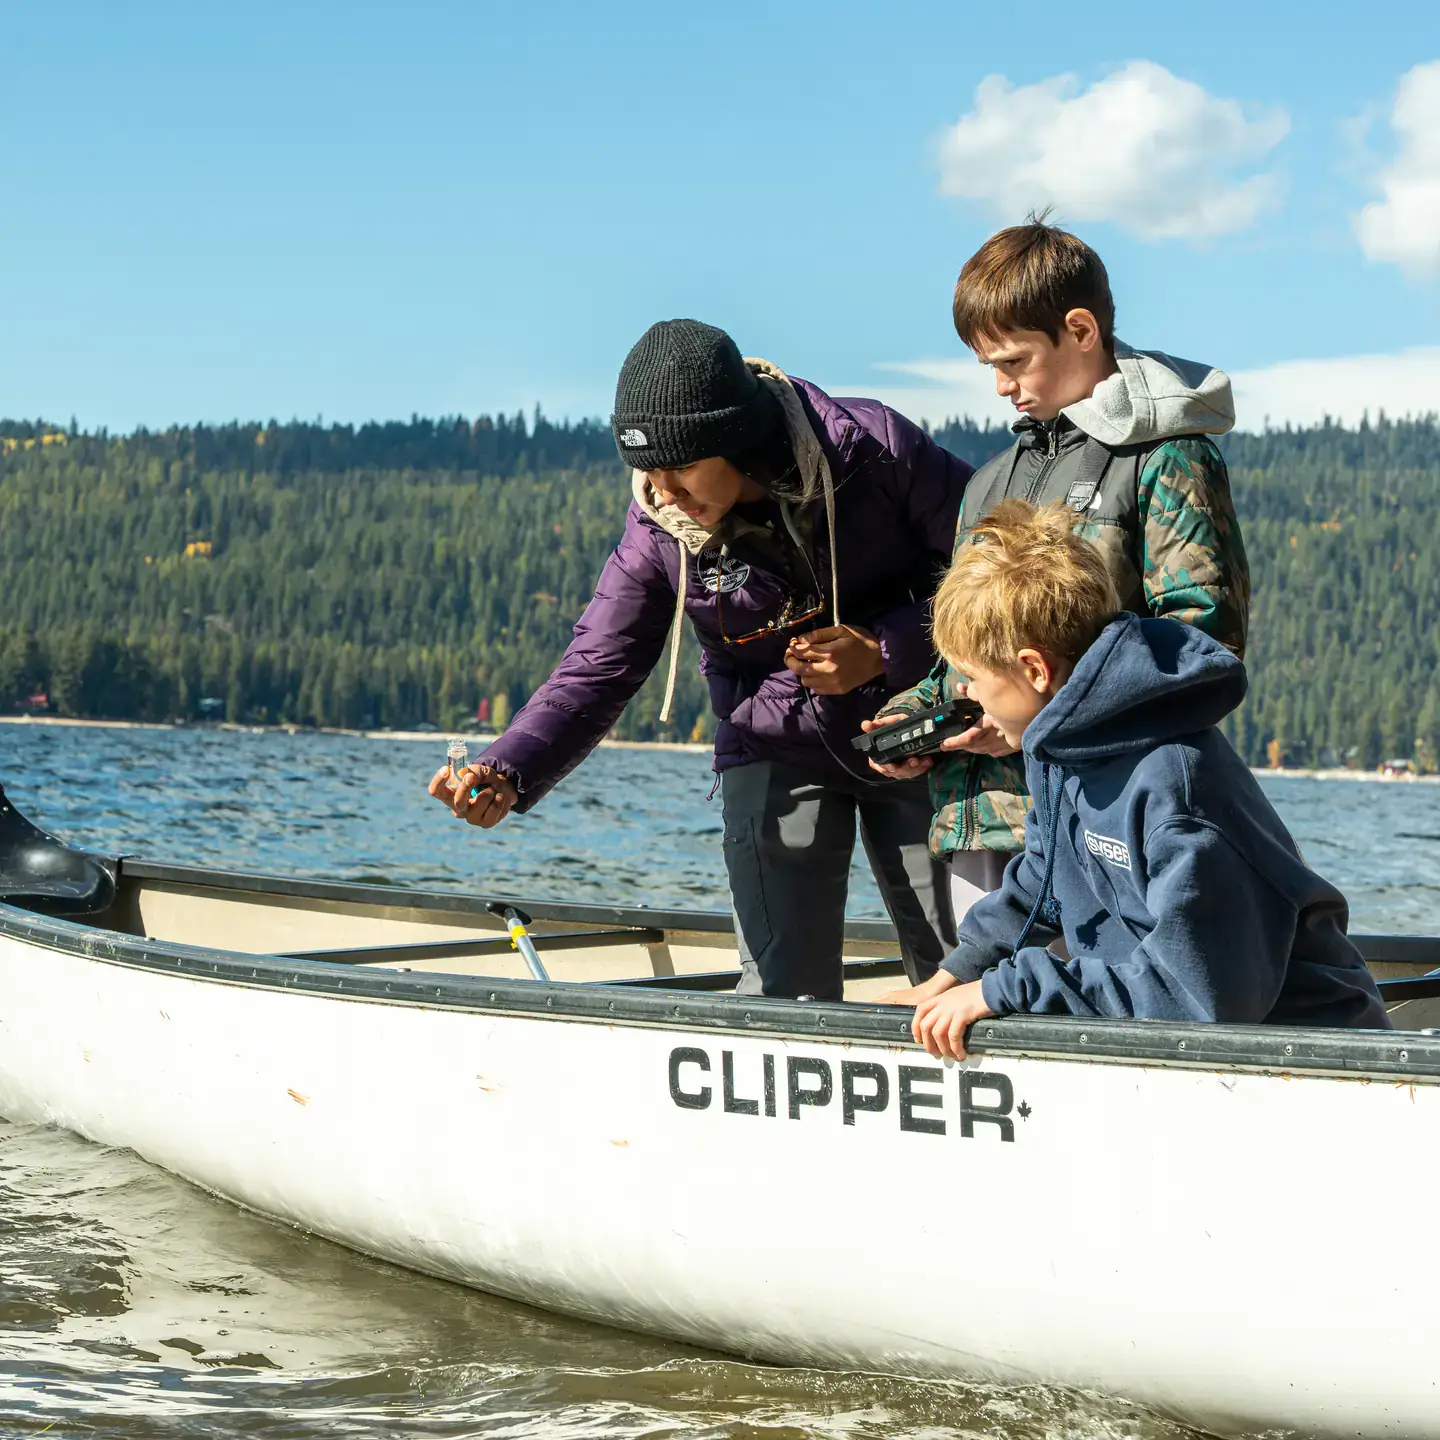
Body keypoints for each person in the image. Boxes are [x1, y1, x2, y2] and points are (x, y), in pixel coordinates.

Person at [427, 319, 974, 1000]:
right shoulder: (657, 529)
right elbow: (598, 665)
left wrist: (887, 649)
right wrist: (508, 768)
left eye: (679, 466)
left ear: (737, 440)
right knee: (781, 996)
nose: (662, 490)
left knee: (962, 972)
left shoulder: (871, 449)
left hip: (920, 736)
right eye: (646, 470)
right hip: (773, 749)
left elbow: (1002, 570)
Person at [881, 500, 1391, 1058]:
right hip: (1183, 1044)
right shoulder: (1059, 749)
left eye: (974, 678)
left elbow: (1201, 995)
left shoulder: (1177, 788)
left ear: (1034, 670)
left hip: (1307, 1054)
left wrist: (1006, 989)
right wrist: (953, 977)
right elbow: (1040, 885)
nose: (968, 695)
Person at [866, 216, 1250, 931]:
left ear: (1080, 330)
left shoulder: (1167, 459)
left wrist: (1032, 724)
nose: (1003, 388)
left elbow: (1202, 645)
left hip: (1100, 823)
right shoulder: (985, 486)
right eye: (992, 369)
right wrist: (918, 719)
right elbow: (969, 653)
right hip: (975, 829)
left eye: (1014, 362)